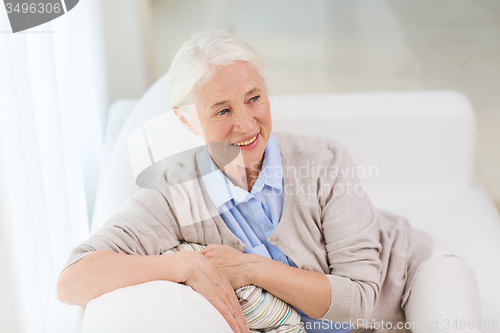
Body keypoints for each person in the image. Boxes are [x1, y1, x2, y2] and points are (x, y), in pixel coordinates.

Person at [57, 31, 482, 333]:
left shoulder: (325, 160)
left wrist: (249, 268)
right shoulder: (172, 192)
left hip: (411, 274)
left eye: (254, 98)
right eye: (221, 110)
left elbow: (360, 301)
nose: (246, 124)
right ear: (186, 120)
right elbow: (73, 280)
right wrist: (182, 264)